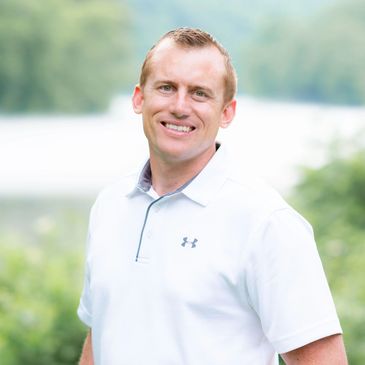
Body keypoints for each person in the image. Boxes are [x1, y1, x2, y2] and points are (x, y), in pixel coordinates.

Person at [78, 28, 347, 365]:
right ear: (139, 98)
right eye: (166, 87)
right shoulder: (110, 205)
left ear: (227, 112)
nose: (179, 106)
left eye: (199, 94)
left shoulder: (266, 221)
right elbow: (101, 334)